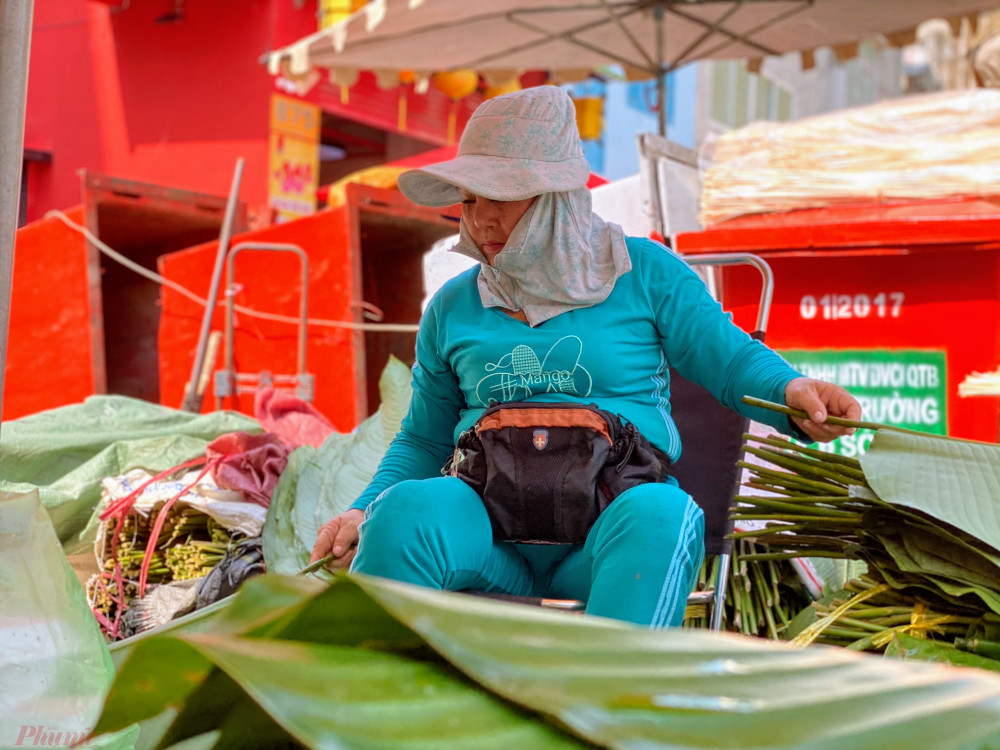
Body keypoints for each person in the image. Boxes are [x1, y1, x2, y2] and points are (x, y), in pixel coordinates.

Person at [310, 86, 862, 628]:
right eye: (470, 200)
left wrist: (793, 394)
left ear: (557, 197)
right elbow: (424, 438)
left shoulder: (646, 273)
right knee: (404, 511)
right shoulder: (453, 306)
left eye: (499, 197)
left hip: (604, 543)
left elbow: (732, 361)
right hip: (488, 541)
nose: (479, 221)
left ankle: (606, 711)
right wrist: (363, 508)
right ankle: (373, 709)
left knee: (664, 517)